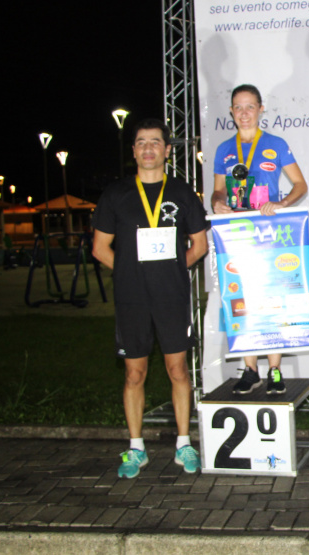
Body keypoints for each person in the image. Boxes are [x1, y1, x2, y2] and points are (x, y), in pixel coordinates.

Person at [92, 119, 208, 478]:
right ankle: (135, 448)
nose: (147, 149)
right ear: (133, 151)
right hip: (132, 299)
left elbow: (200, 245)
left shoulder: (182, 192)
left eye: (155, 142)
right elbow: (100, 248)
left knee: (178, 371)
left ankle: (184, 444)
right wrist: (129, 271)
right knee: (134, 374)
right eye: (141, 142)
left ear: (167, 150)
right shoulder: (115, 195)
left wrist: (174, 268)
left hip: (171, 297)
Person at [211, 84, 309, 396]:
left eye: (249, 107)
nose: (244, 113)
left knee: (274, 297)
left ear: (261, 109)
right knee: (243, 298)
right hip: (238, 233)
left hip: (270, 231)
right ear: (230, 112)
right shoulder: (223, 149)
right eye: (238, 107)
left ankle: (275, 370)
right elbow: (217, 190)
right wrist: (216, 201)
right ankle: (250, 370)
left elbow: (300, 185)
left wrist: (281, 204)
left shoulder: (276, 144)